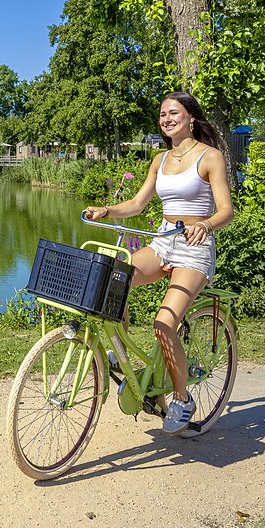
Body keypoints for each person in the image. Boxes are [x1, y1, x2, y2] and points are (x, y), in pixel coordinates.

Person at [83, 92, 234, 434]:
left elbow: (226, 210)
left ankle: (181, 399)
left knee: (164, 324)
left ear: (190, 117)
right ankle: (119, 355)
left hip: (194, 249)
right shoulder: (160, 159)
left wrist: (205, 224)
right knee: (111, 280)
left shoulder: (210, 157)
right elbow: (137, 203)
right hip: (164, 242)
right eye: (163, 114)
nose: (166, 119)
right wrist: (108, 210)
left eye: (173, 113)